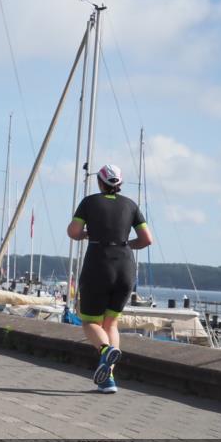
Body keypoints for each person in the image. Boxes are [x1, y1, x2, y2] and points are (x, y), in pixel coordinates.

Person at [66, 164, 153, 394]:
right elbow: (146, 239)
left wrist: (87, 234)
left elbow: (74, 232)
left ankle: (105, 351)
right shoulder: (131, 205)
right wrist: (126, 244)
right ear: (120, 184)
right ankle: (108, 380)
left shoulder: (89, 202)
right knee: (111, 323)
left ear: (100, 182)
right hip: (125, 267)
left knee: (90, 322)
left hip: (98, 264)